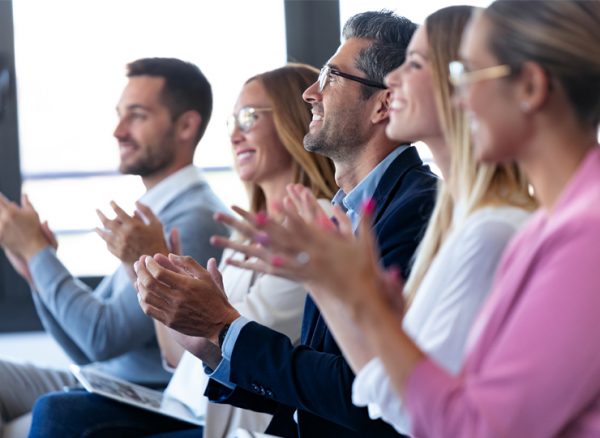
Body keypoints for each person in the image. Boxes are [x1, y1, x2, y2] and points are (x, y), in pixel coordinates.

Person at [210, 1, 600, 436]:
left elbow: (469, 426)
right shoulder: (548, 224)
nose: (458, 97)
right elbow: (401, 397)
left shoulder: (580, 234)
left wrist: (361, 302)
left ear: (529, 86)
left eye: (464, 74)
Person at [135, 11, 438, 438]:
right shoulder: (342, 212)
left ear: (383, 103)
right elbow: (313, 384)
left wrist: (223, 327)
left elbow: (369, 395)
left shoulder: (417, 208)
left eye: (332, 77)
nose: (312, 93)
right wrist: (212, 345)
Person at [28, 63, 338, 438]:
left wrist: (151, 266)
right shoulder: (249, 230)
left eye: (250, 117)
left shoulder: (312, 223)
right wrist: (143, 270)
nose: (236, 134)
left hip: (224, 413)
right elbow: (181, 356)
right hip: (187, 402)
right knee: (62, 409)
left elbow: (240, 340)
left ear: (295, 121)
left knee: (59, 412)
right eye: (232, 122)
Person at [0, 57, 228, 434]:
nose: (118, 131)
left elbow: (101, 337)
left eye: (136, 116)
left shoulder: (193, 219)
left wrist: (37, 254)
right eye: (120, 115)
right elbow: (88, 350)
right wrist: (35, 273)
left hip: (139, 393)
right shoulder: (155, 213)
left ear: (186, 124)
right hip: (102, 380)